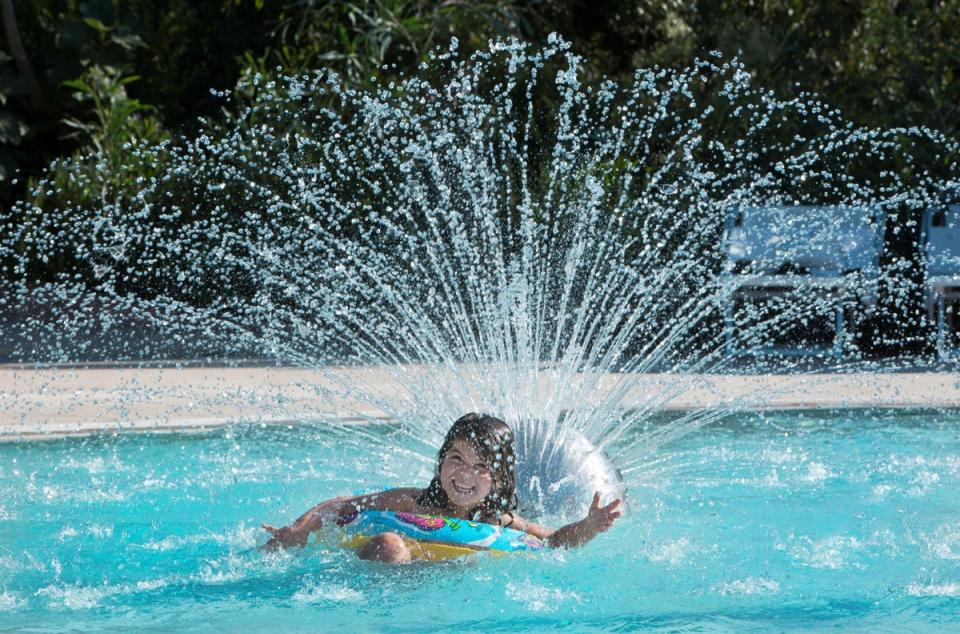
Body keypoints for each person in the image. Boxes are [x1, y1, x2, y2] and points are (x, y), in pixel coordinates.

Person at [261, 413, 622, 563]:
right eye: (457, 459)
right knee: (390, 544)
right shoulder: (412, 502)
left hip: (440, 584)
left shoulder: (497, 520)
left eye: (482, 467)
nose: (466, 475)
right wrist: (297, 530)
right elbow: (338, 506)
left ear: (498, 481)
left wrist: (590, 526)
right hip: (388, 573)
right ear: (440, 461)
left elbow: (553, 541)